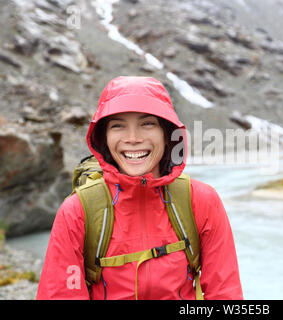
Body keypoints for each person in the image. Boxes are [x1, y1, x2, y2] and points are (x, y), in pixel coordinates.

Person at [36, 76, 243, 300]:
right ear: (103, 138)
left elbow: (225, 294)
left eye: (147, 124)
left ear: (167, 135)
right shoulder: (77, 211)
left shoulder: (201, 200)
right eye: (118, 126)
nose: (133, 138)